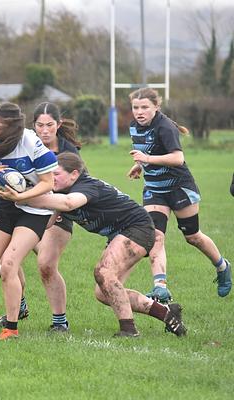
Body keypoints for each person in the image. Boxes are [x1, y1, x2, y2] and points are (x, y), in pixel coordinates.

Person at [21, 152, 187, 337]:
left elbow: (69, 203)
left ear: (74, 174)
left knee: (104, 272)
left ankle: (129, 330)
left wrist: (26, 197)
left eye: (56, 174)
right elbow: (48, 223)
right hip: (121, 234)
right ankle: (166, 312)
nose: (52, 178)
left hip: (137, 227)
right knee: (104, 293)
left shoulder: (86, 186)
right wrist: (25, 202)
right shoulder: (59, 191)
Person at [127, 88, 231, 300]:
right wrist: (140, 165)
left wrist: (147, 160)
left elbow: (177, 158)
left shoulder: (164, 127)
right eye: (135, 107)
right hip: (155, 190)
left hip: (179, 188)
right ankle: (160, 286)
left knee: (193, 237)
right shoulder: (134, 126)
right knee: (156, 236)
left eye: (145, 107)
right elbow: (149, 150)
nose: (139, 112)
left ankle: (222, 266)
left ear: (156, 107)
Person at [0, 102, 57, 340]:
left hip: (35, 208)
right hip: (6, 206)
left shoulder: (30, 142)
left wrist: (22, 196)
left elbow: (48, 183)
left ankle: (11, 327)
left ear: (11, 128)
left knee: (9, 264)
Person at [30, 101, 81, 332]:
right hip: (27, 208)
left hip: (58, 210)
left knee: (46, 264)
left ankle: (60, 322)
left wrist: (55, 210)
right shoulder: (27, 144)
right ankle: (18, 306)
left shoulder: (68, 152)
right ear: (33, 126)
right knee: (3, 257)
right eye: (40, 125)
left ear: (58, 125)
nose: (44, 130)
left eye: (49, 125)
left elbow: (79, 186)